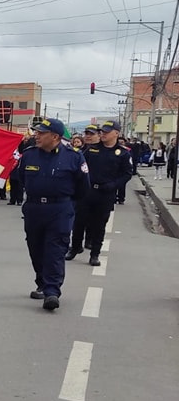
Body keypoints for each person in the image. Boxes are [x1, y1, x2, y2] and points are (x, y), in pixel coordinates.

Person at [18, 118, 89, 311]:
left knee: (55, 250)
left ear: (55, 137)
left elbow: (83, 187)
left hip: (60, 209)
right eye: (37, 132)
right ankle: (42, 282)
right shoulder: (29, 155)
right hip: (34, 208)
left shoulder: (74, 157)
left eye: (41, 133)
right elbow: (22, 179)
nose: (36, 136)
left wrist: (66, 206)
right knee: (35, 247)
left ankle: (52, 291)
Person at [64, 119, 132, 266]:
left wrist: (113, 185)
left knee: (99, 225)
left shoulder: (122, 153)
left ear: (116, 133)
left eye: (107, 132)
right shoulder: (92, 149)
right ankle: (75, 248)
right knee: (79, 222)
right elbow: (81, 167)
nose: (103, 134)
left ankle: (95, 254)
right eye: (102, 131)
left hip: (105, 194)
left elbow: (127, 174)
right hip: (87, 192)